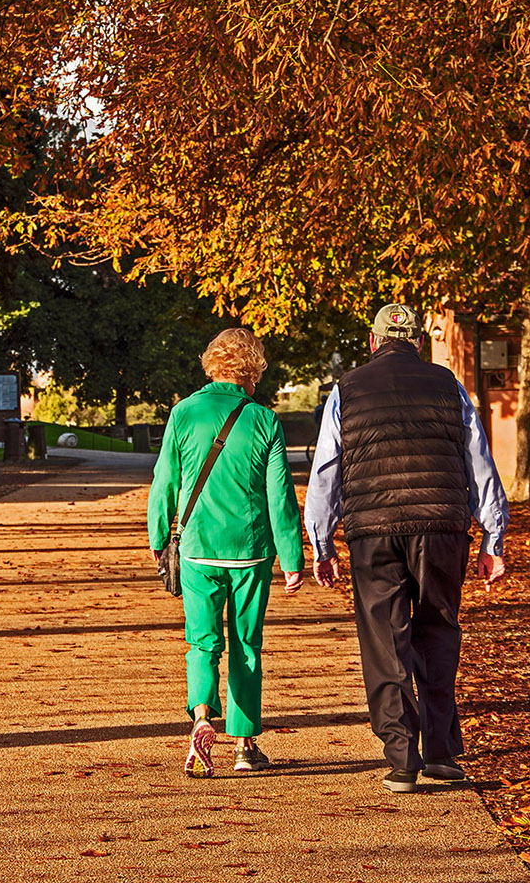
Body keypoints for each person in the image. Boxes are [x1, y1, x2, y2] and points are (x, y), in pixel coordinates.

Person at [304, 304, 509, 793]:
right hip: (441, 527)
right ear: (418, 342)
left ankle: (401, 756)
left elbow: (326, 470)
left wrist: (321, 542)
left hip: (372, 530)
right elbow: (479, 461)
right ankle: (440, 752)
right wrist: (492, 538)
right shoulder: (448, 385)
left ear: (373, 342)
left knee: (383, 639)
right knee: (438, 631)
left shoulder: (347, 389)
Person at [149, 328, 305, 778]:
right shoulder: (263, 420)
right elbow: (280, 497)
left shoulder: (183, 413)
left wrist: (159, 536)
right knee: (246, 645)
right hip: (250, 550)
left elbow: (166, 481)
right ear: (252, 370)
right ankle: (244, 743)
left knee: (201, 641)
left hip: (198, 548)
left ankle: (201, 716)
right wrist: (293, 559)